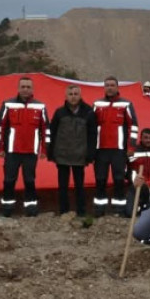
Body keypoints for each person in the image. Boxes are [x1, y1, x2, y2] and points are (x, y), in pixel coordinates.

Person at [0, 76, 49, 217]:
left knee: (29, 180)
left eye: (28, 87)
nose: (25, 89)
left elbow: (46, 130)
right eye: (23, 87)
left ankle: (31, 209)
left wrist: (44, 149)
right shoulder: (8, 104)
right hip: (12, 152)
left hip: (30, 152)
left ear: (32, 89)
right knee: (9, 180)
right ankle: (7, 209)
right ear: (18, 88)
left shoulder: (40, 106)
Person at [93, 76, 139, 217]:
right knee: (100, 179)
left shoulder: (126, 104)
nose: (110, 87)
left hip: (119, 150)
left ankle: (119, 209)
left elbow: (134, 126)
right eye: (107, 85)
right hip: (100, 150)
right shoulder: (97, 104)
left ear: (117, 87)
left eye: (112, 85)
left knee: (119, 179)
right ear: (104, 87)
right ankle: (99, 209)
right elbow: (91, 127)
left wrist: (131, 147)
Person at [48, 84, 96, 216]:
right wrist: (50, 152)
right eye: (71, 94)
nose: (73, 97)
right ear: (66, 96)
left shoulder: (89, 112)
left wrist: (90, 154)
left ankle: (81, 212)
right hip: (62, 155)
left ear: (80, 95)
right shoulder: (59, 112)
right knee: (62, 186)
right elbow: (52, 133)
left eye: (76, 94)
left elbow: (93, 135)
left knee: (79, 186)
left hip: (80, 156)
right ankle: (64, 211)